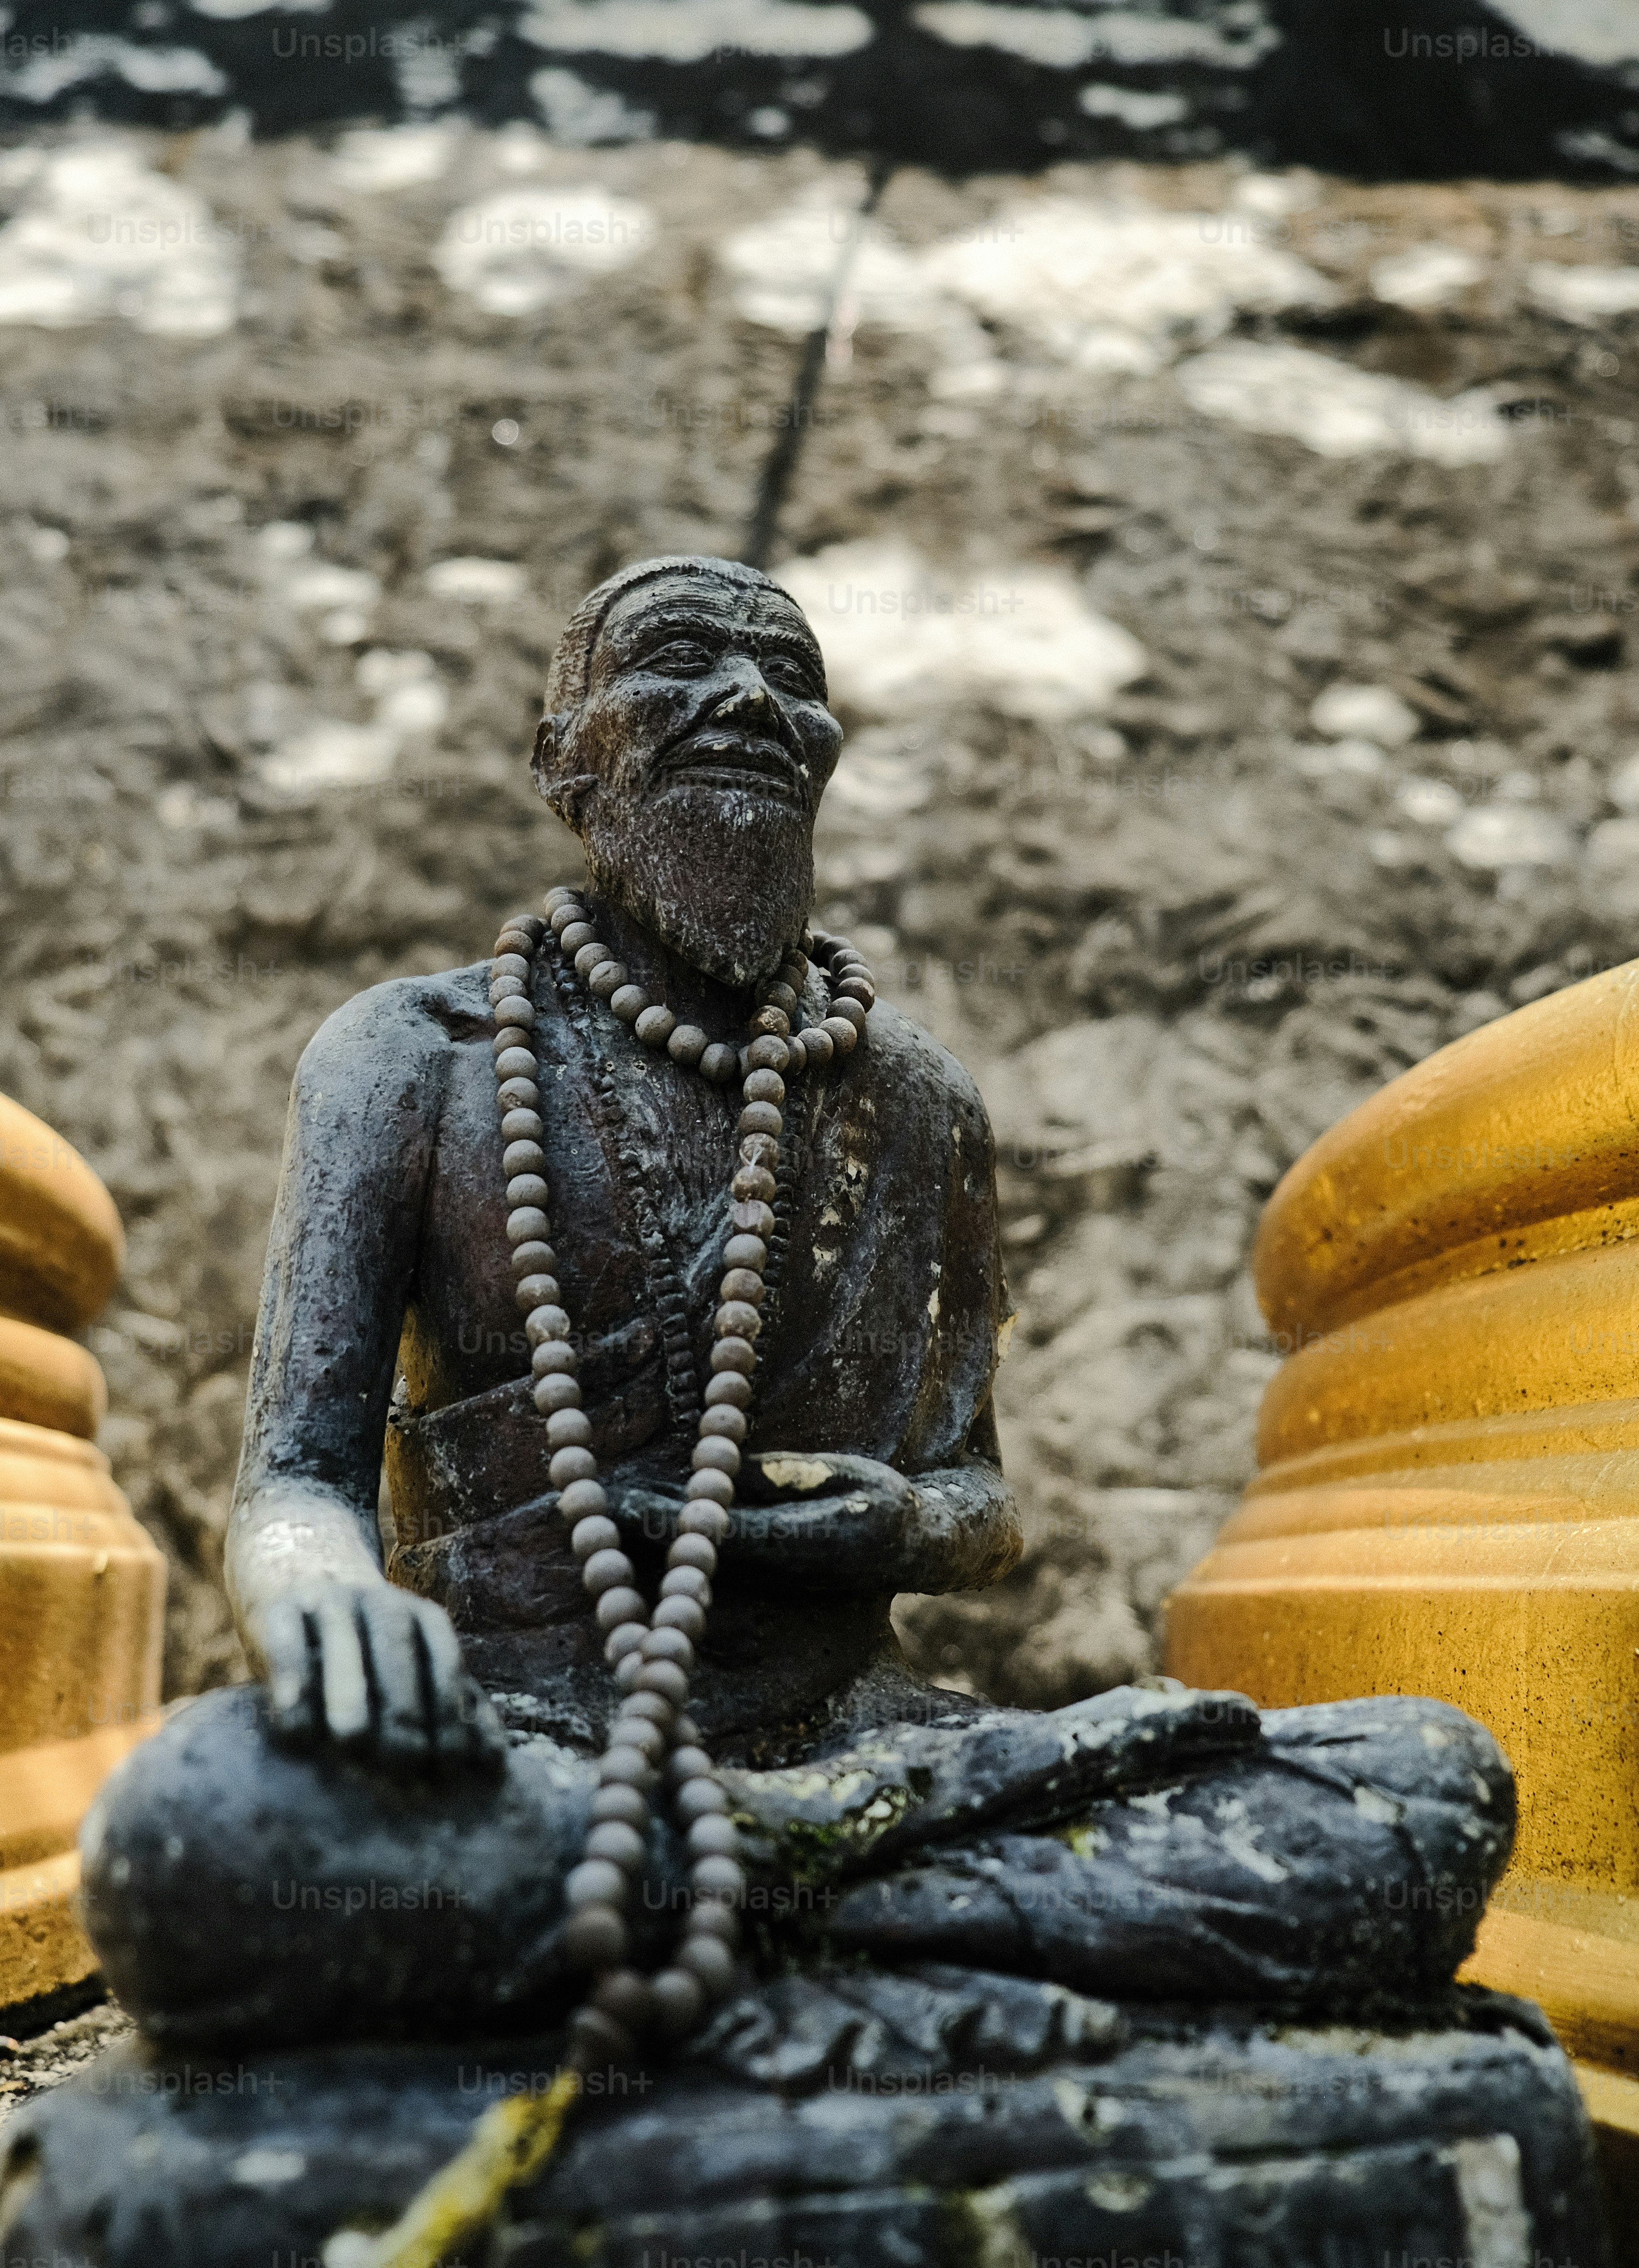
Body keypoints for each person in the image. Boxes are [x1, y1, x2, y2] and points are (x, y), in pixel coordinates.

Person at [81, 555, 1512, 2052]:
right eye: (679, 657)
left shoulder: (921, 1104)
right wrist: (327, 1601)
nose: (750, 697)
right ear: (567, 753)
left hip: (864, 1744)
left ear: (827, 750)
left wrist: (891, 1519)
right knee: (192, 1833)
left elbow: (978, 1502)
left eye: (790, 673)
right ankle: (861, 1926)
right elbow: (295, 1481)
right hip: (517, 1737)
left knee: (1423, 1781)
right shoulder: (408, 1056)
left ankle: (736, 1890)